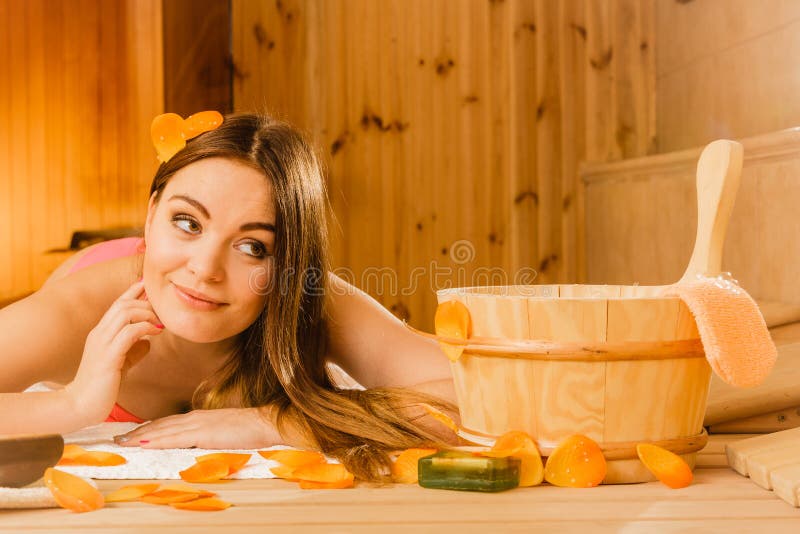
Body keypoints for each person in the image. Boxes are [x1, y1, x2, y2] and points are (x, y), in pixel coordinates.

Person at [0, 112, 459, 481]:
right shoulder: (77, 312)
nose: (205, 269)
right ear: (151, 213)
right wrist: (74, 404)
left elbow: (479, 396)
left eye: (252, 247)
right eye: (187, 222)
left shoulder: (310, 296)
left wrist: (272, 422)